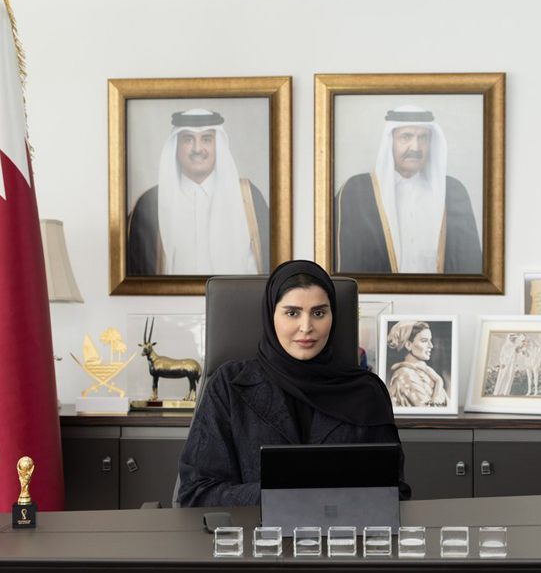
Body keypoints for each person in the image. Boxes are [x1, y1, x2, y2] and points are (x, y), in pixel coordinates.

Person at [176, 260, 411, 507]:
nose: (306, 327)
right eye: (292, 313)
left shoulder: (366, 391)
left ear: (333, 316)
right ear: (271, 316)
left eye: (318, 313)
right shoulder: (230, 384)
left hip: (344, 540)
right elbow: (196, 493)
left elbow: (394, 494)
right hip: (253, 539)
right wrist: (284, 496)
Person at [333, 105, 481, 274]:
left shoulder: (453, 191)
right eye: (406, 137)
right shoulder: (356, 191)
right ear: (390, 142)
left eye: (423, 138)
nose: (416, 147)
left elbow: (469, 263)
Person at [127, 108, 269, 275]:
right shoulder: (150, 203)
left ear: (218, 145)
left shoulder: (247, 198)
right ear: (176, 146)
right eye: (188, 139)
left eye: (207, 139)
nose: (197, 149)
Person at [386, 321, 448, 408]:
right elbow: (429, 412)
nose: (431, 346)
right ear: (408, 345)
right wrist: (439, 382)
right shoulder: (405, 374)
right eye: (424, 341)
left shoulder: (425, 371)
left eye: (430, 340)